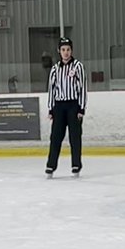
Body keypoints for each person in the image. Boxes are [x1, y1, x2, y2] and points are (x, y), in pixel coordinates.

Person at [45, 38, 87, 177]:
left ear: (71, 50)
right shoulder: (55, 69)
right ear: (59, 51)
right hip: (59, 106)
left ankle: (76, 165)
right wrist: (51, 109)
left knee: (75, 137)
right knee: (56, 137)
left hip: (73, 105)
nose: (66, 52)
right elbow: (51, 89)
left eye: (68, 49)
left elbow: (82, 88)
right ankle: (51, 165)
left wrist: (81, 108)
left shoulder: (78, 66)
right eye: (63, 50)